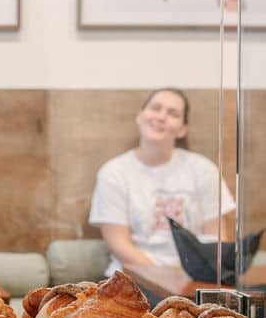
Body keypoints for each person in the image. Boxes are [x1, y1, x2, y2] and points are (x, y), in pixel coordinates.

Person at [89, 88, 235, 282]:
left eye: (173, 113)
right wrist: (164, 280)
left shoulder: (204, 170)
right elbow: (119, 245)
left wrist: (188, 279)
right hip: (132, 280)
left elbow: (216, 240)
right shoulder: (113, 173)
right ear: (140, 116)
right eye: (155, 108)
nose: (161, 117)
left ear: (182, 129)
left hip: (193, 280)